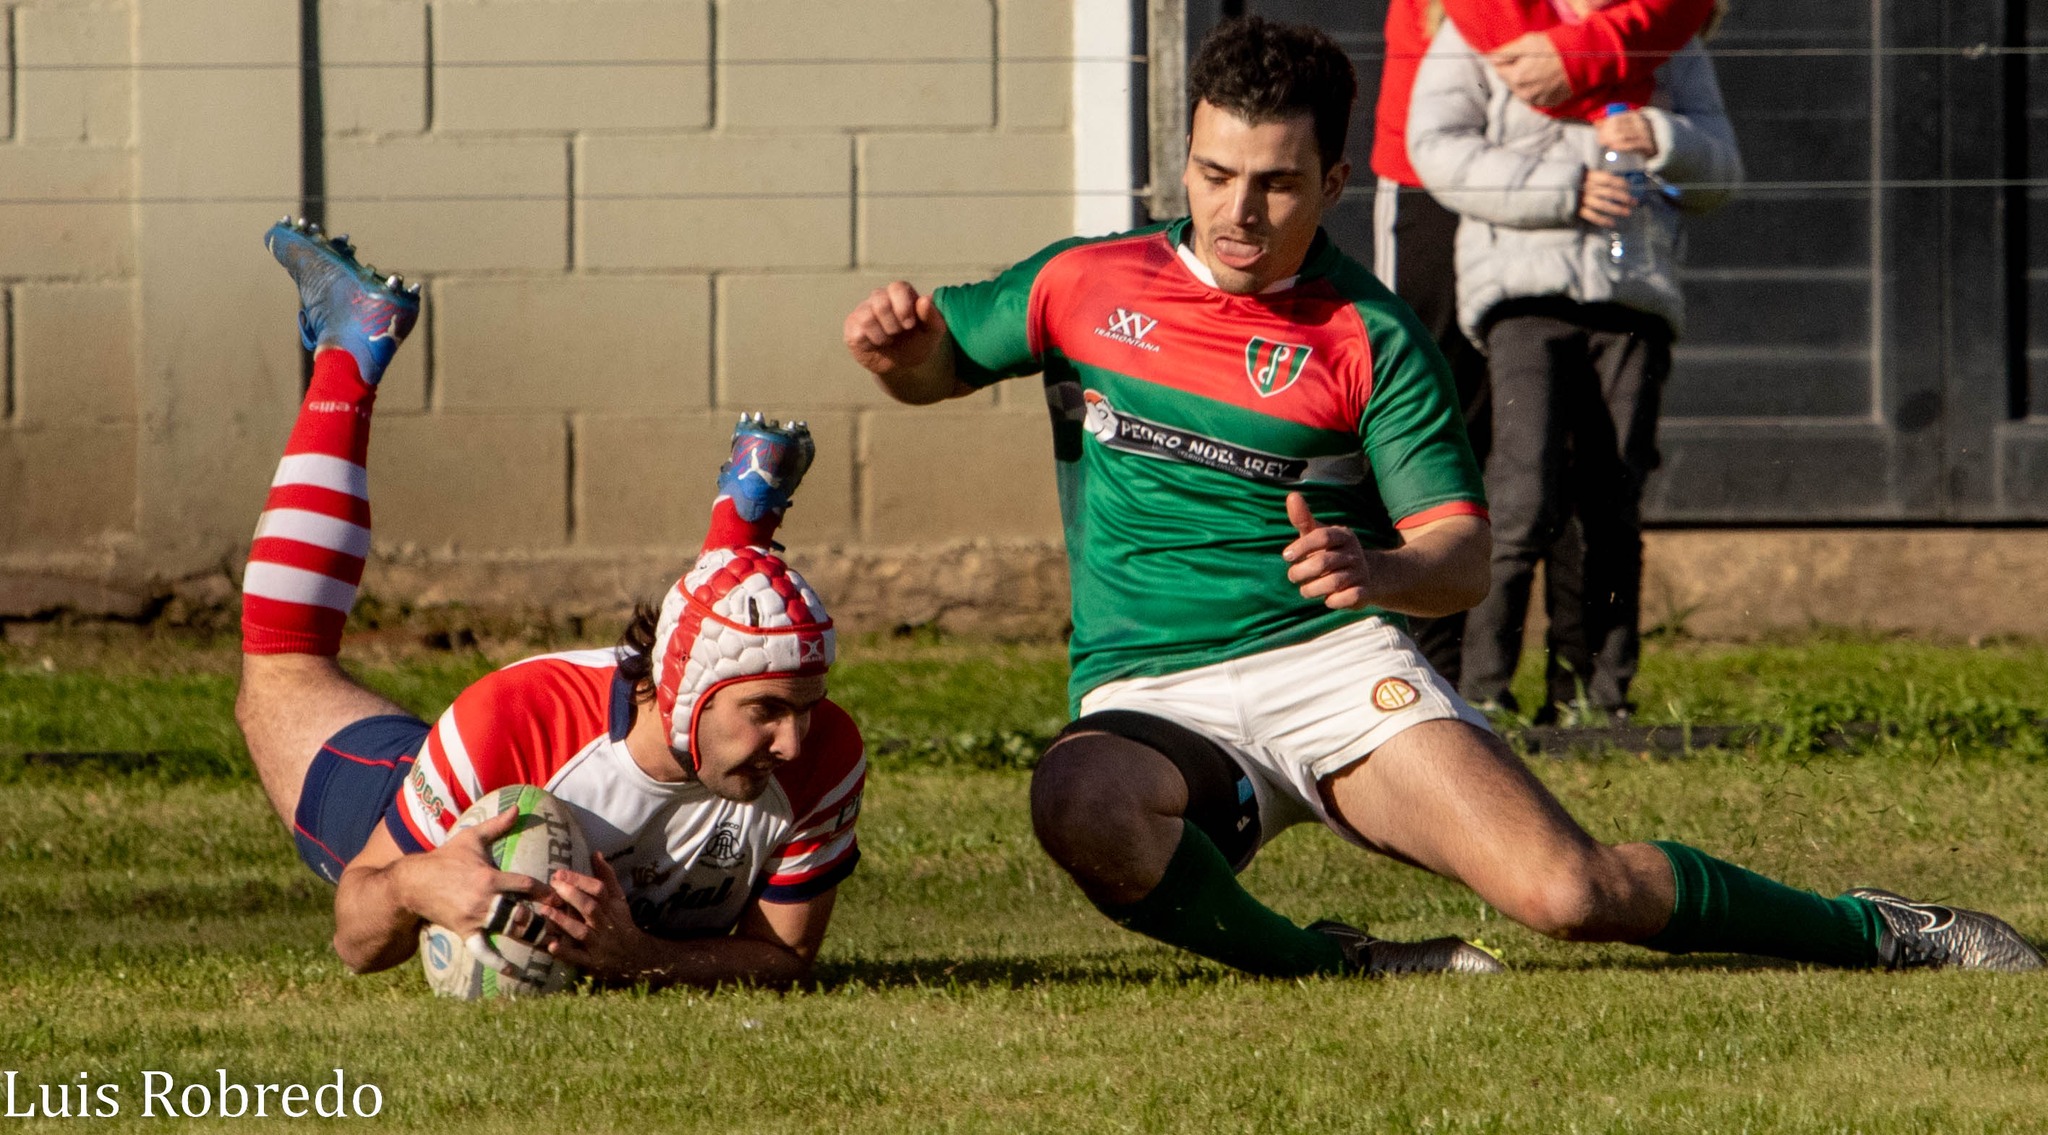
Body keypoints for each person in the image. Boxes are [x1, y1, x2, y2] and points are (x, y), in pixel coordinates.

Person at [841, 16, 2043, 977]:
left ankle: (1875, 928)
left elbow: (1461, 553)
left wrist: (1380, 574)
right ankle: (1327, 965)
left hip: (1327, 666)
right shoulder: (1082, 283)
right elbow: (941, 360)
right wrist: (898, 352)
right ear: (1187, 160)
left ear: (1332, 180)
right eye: (1214, 173)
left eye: (1273, 182)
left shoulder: (1368, 336)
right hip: (1151, 688)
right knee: (1077, 799)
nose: (1237, 210)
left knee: (1568, 895)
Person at [237, 219, 865, 989]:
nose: (794, 740)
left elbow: (785, 962)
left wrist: (645, 961)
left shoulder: (823, 752)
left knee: (731, 637)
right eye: (767, 709)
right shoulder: (515, 718)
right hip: (433, 778)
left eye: (804, 706)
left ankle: (739, 531)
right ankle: (348, 353)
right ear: (687, 693)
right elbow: (358, 941)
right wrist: (410, 884)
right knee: (281, 667)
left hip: (645, 701)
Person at [1372, 0, 1715, 717]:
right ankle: (1457, 684)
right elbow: (1446, 132)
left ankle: (1584, 686)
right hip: (1475, 221)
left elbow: (1712, 129)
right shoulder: (1466, 46)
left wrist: (1595, 52)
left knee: (1595, 485)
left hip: (1615, 280)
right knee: (1470, 448)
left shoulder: (1662, 56)